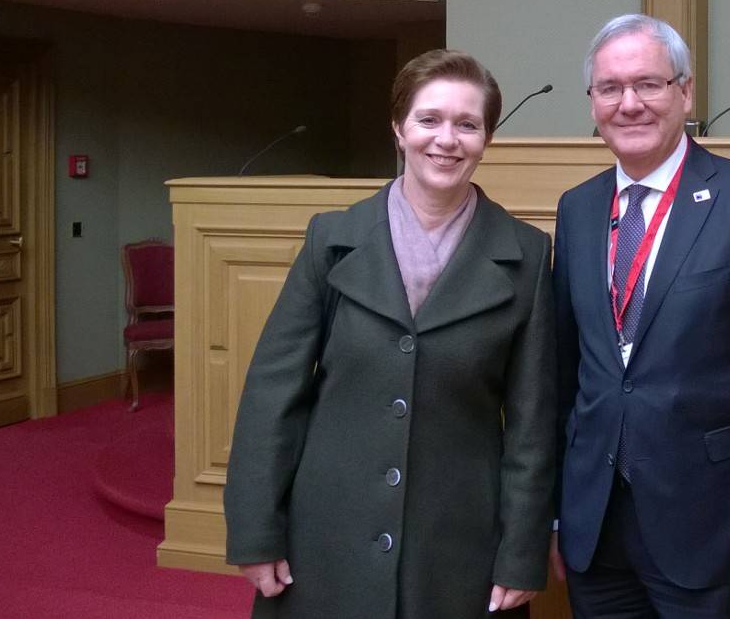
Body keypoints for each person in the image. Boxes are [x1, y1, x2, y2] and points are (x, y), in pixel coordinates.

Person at [225, 50, 557, 619]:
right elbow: (271, 395)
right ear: (399, 128)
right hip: (326, 534)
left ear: (487, 138)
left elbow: (533, 423)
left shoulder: (526, 255)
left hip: (458, 546)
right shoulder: (330, 239)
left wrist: (523, 550)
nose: (446, 139)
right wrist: (256, 530)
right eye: (429, 119)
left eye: (467, 124)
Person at [552, 15, 730, 618]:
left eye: (649, 84)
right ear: (593, 102)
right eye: (611, 88)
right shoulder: (577, 209)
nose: (630, 104)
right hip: (595, 531)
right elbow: (563, 375)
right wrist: (553, 514)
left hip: (710, 533)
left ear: (685, 92)